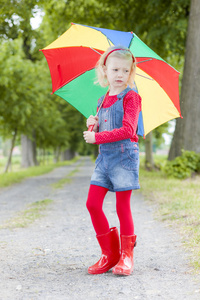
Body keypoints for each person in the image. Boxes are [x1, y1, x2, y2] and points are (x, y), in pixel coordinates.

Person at [83, 45, 142, 276]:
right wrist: (93, 122)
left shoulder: (132, 97)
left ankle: (127, 256)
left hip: (125, 156)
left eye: (125, 71)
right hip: (104, 159)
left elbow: (128, 130)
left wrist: (97, 136)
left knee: (121, 206)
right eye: (115, 69)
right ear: (104, 70)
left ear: (130, 73)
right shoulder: (101, 100)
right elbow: (104, 125)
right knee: (92, 204)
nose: (120, 75)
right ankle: (109, 254)